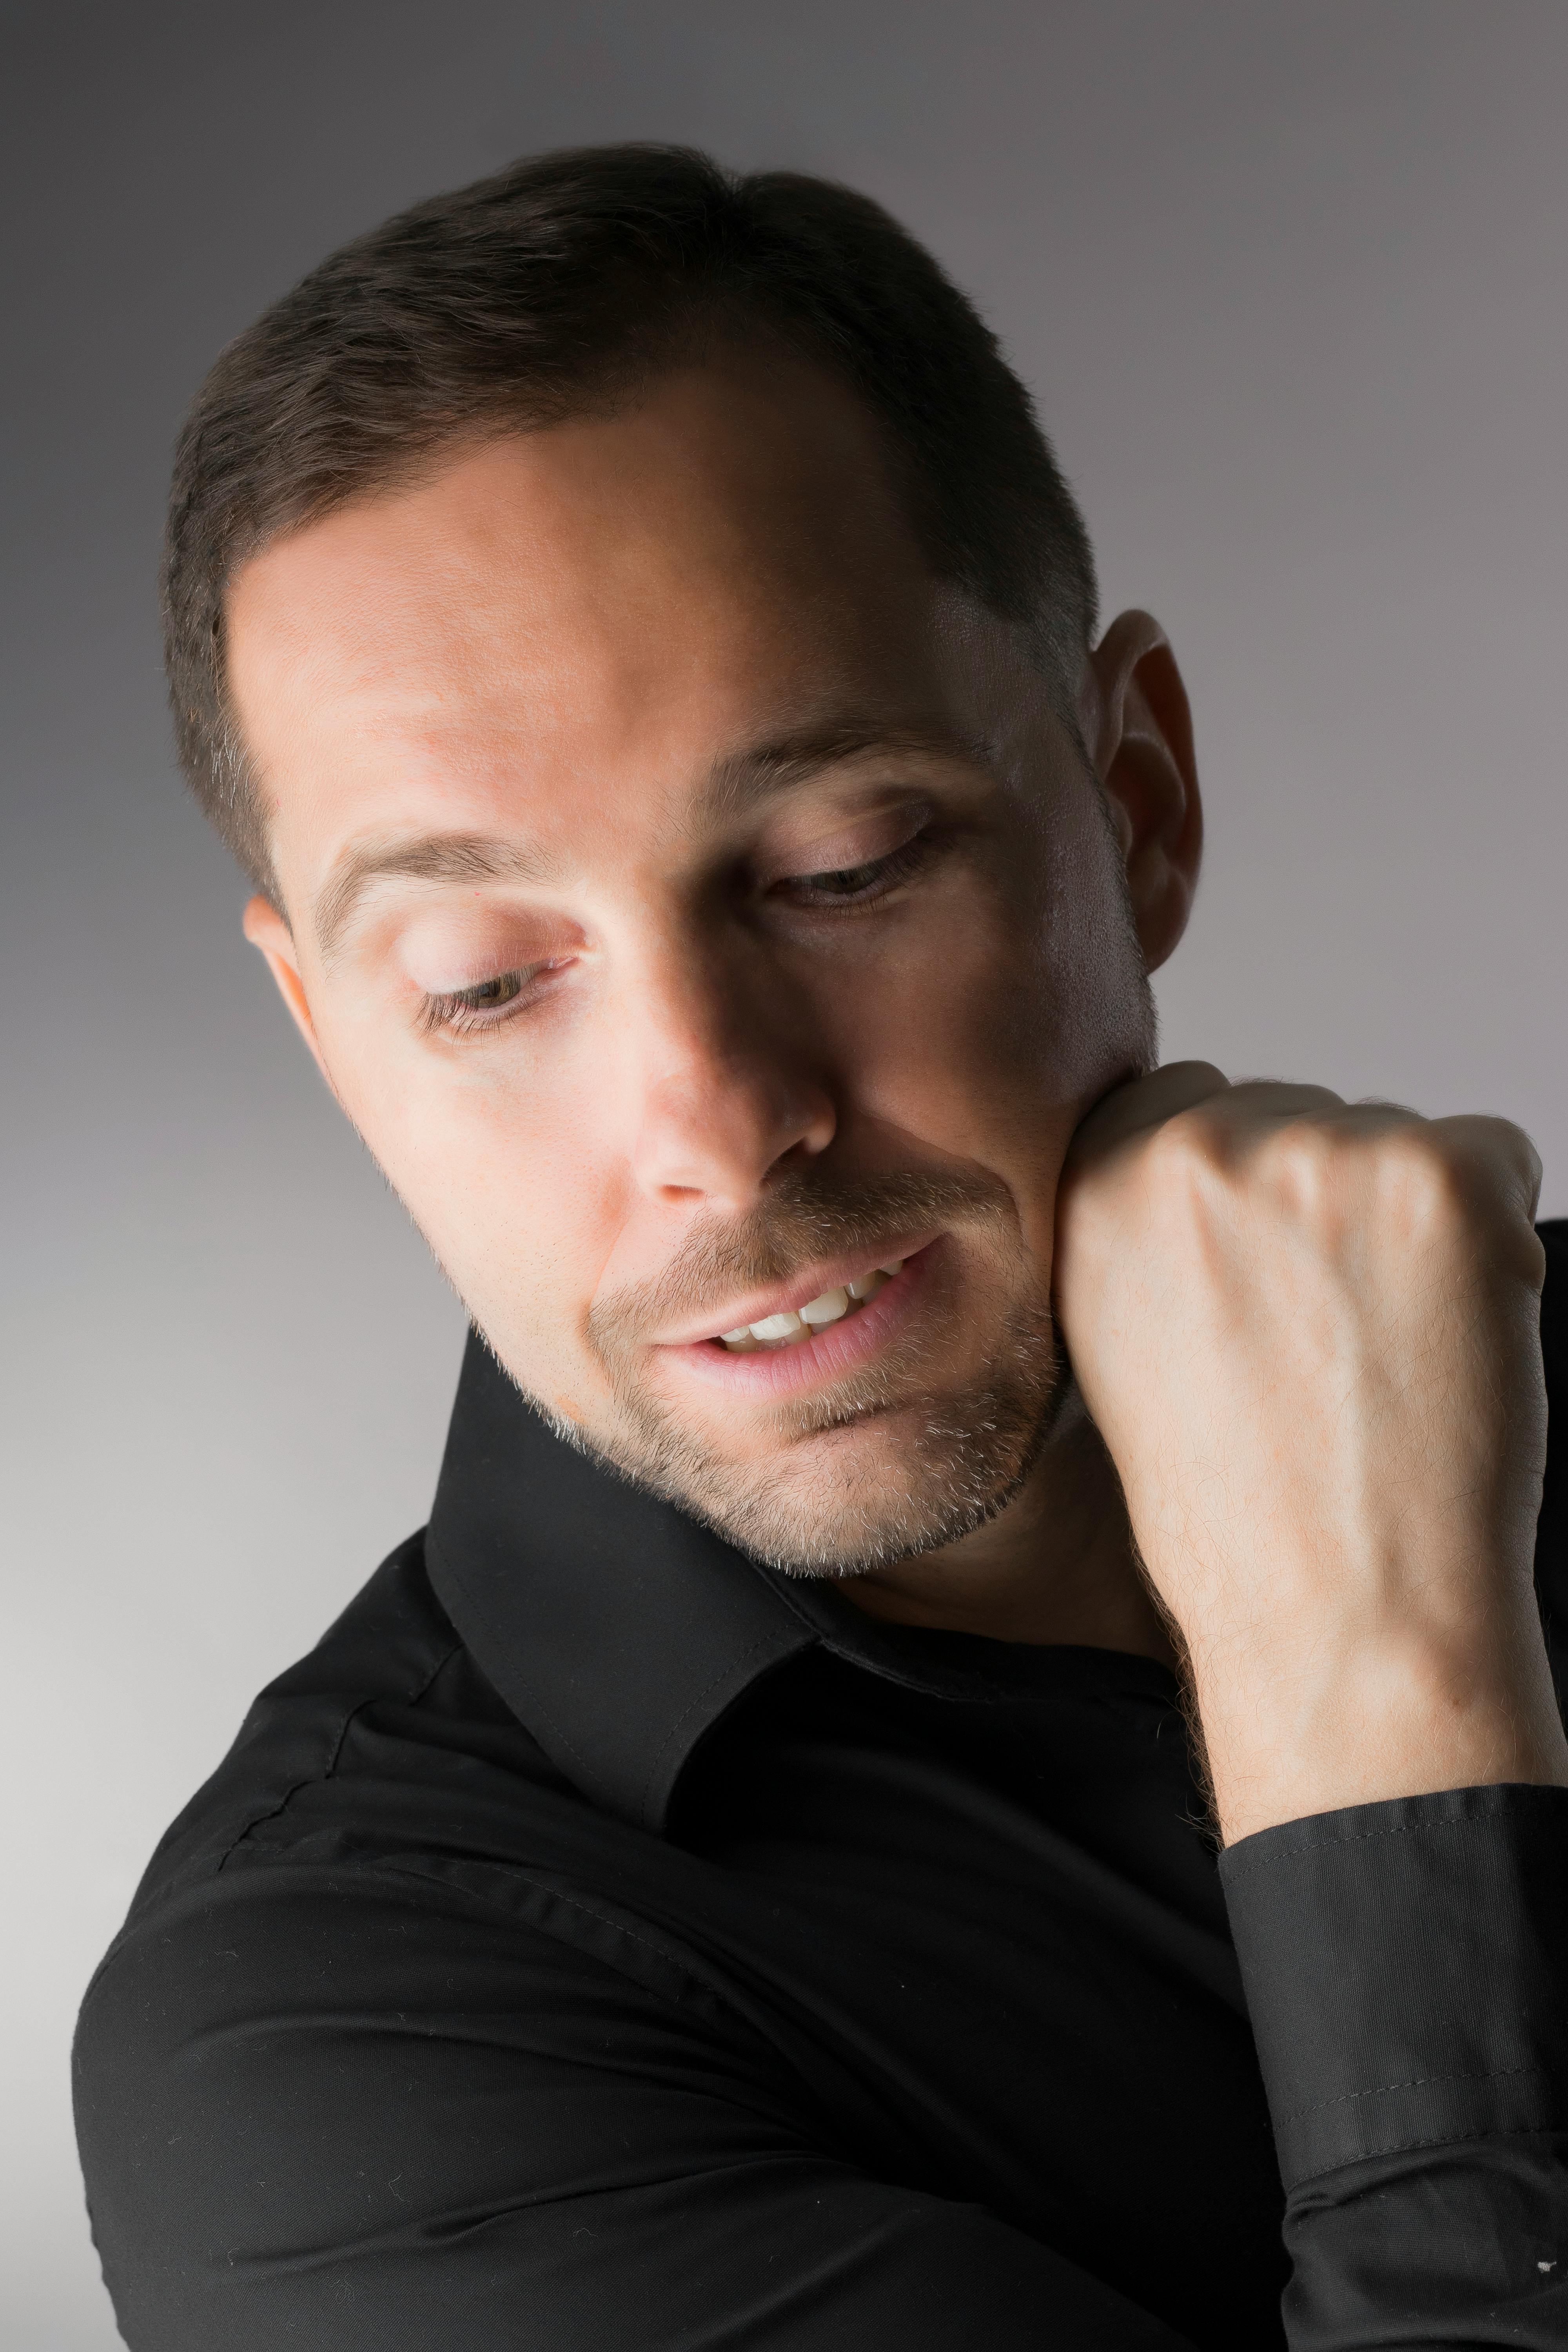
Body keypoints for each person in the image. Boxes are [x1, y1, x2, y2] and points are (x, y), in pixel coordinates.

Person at [73, 145, 1568, 2350]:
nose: (715, 1124)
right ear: (334, 1040)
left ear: (1132, 801)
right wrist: (1384, 1710)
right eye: (490, 982)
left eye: (844, 866)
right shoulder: (330, 2056)